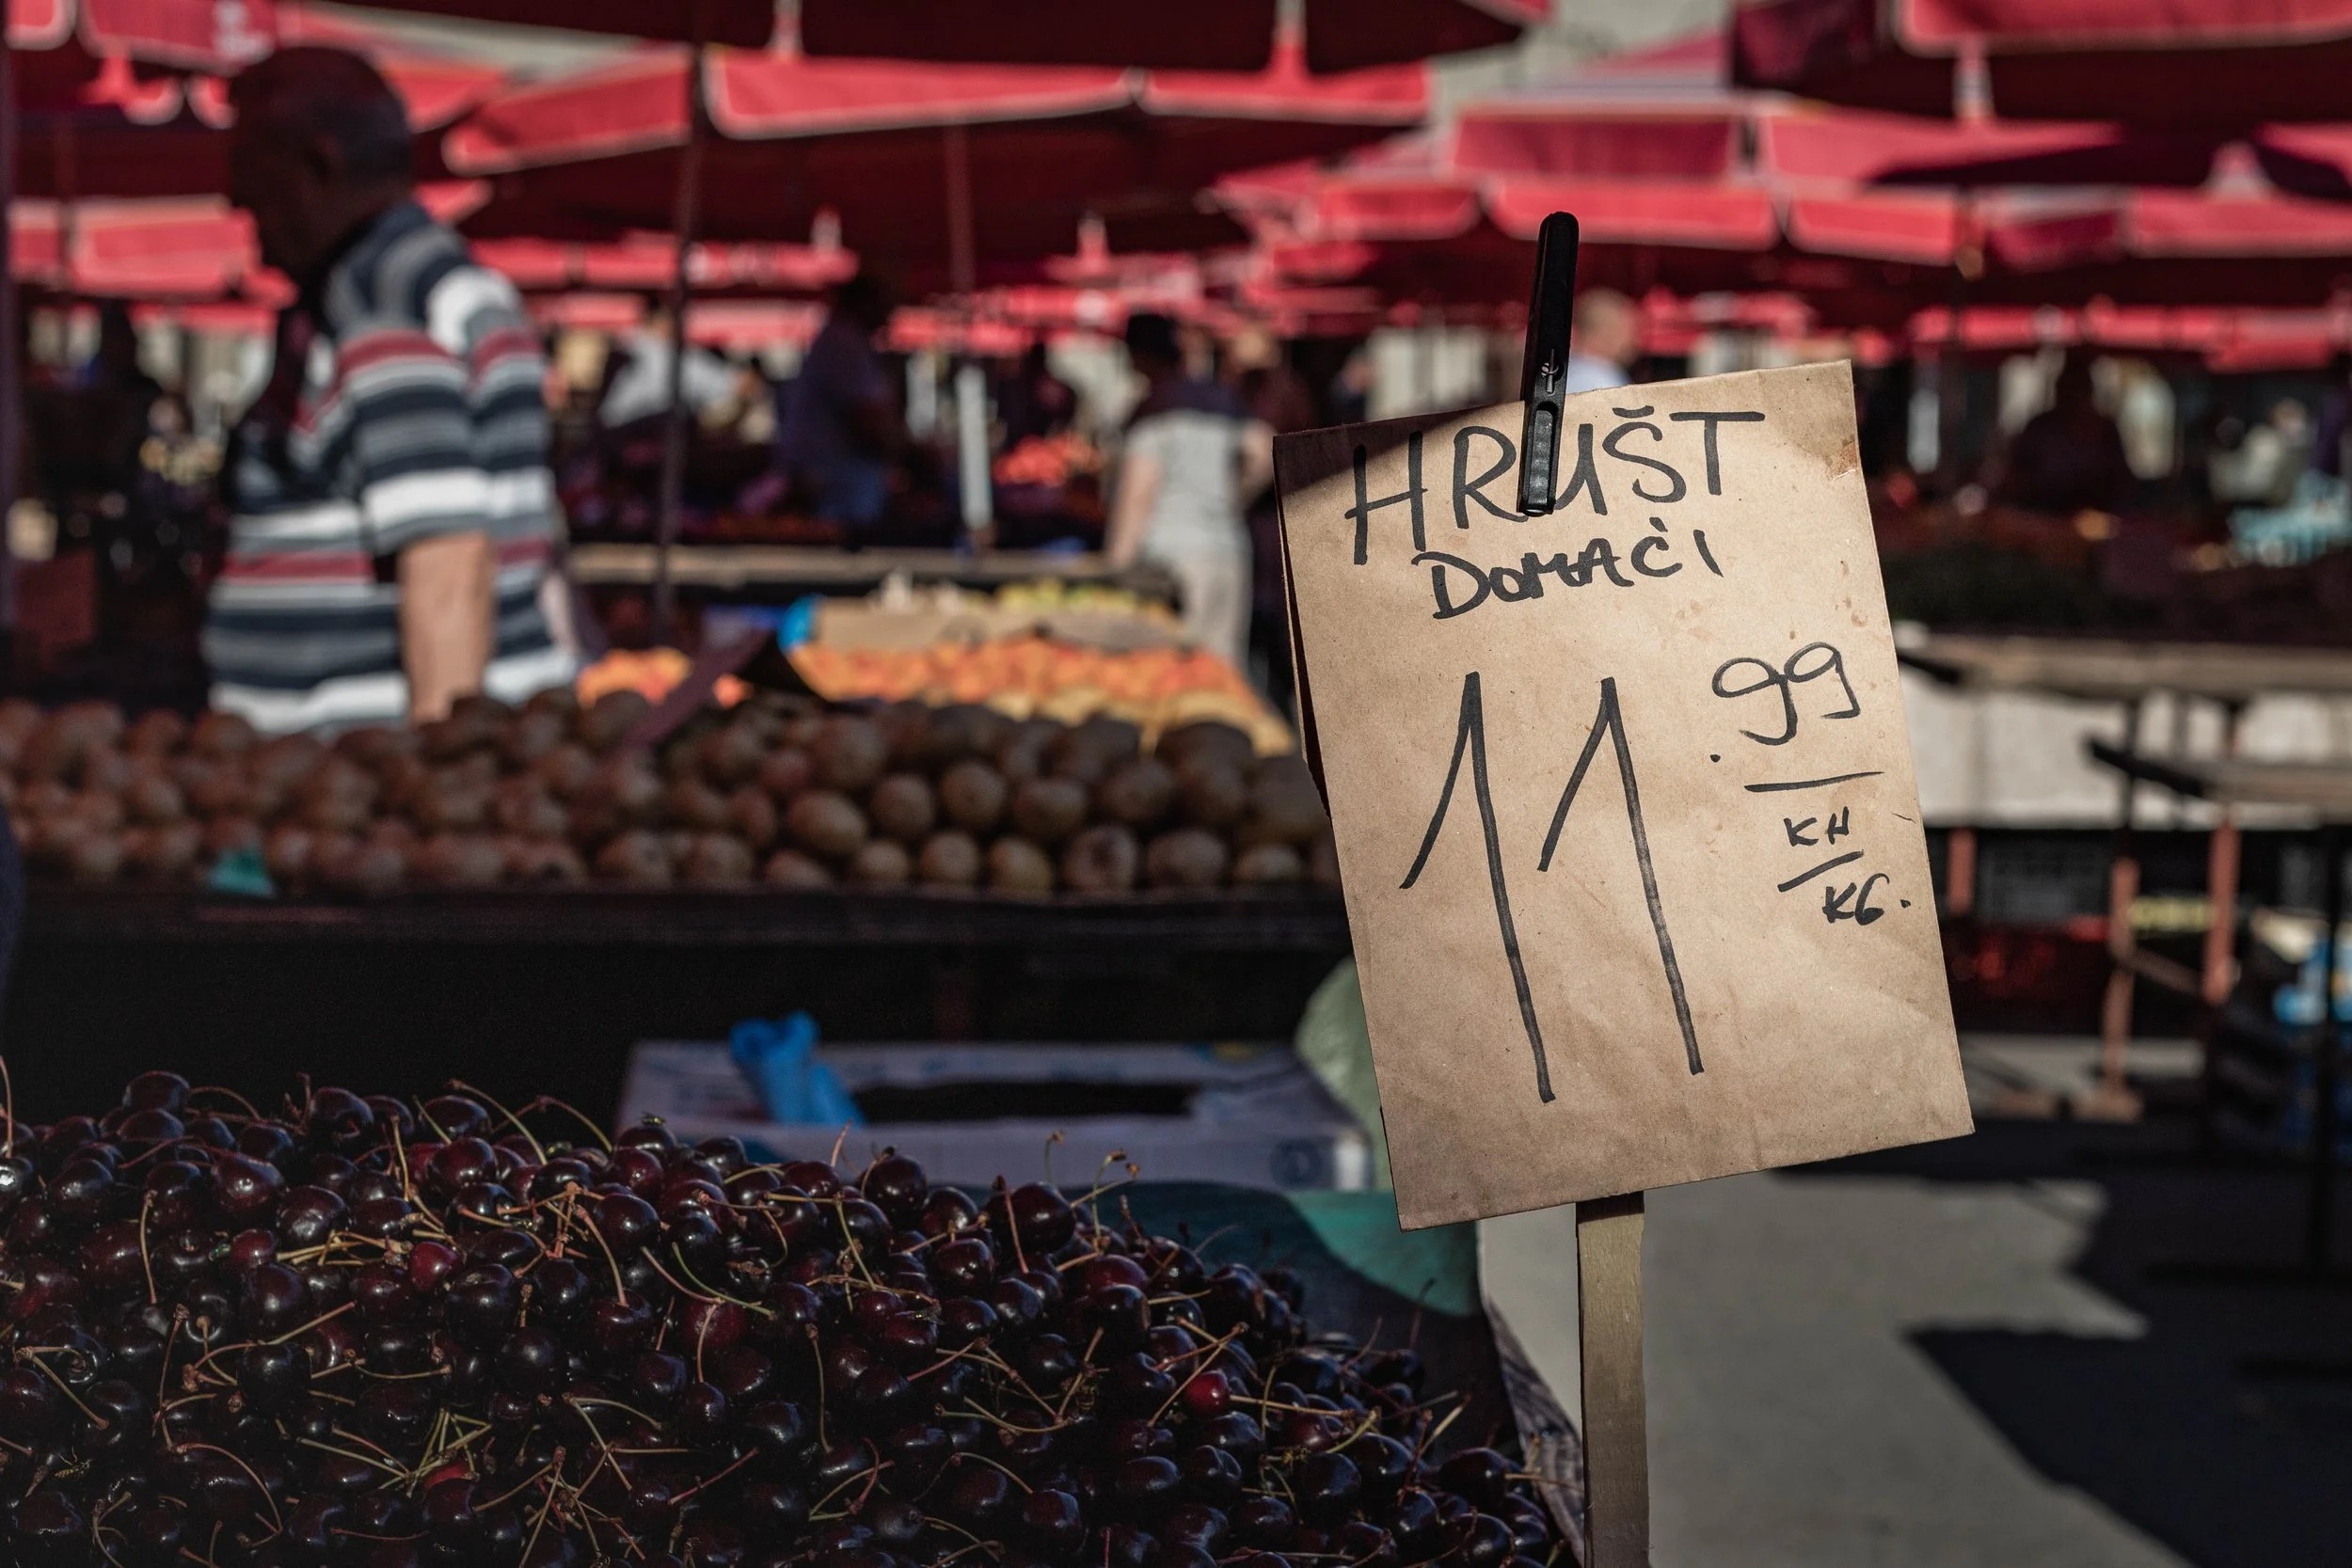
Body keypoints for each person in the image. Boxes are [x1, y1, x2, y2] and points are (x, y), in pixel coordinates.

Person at [208, 47, 571, 731]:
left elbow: (447, 566)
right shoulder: (421, 286)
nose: (236, 198)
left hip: (362, 759)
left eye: (249, 166)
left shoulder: (383, 305)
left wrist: (439, 768)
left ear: (318, 165)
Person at [1107, 313, 1272, 666]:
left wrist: (1117, 565)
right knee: (1224, 676)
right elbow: (1264, 452)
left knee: (1177, 675)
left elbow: (1138, 493)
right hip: (1228, 551)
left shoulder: (1154, 408)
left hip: (1172, 561)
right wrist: (1231, 500)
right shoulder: (1223, 399)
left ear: (1139, 354)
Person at [775, 273, 905, 531]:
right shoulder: (843, 344)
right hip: (837, 488)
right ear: (864, 304)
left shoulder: (845, 342)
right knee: (842, 545)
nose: (889, 316)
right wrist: (904, 454)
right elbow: (866, 420)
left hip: (836, 484)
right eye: (884, 305)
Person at [1995, 352, 2135, 516]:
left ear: (2089, 393)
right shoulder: (2040, 428)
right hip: (2042, 516)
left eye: (2080, 391)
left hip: (2097, 516)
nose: (2074, 401)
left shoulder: (2105, 431)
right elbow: (2016, 477)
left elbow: (2122, 482)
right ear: (2059, 391)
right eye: (2069, 391)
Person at [598, 301, 738, 436]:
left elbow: (723, 381)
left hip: (638, 427)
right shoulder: (647, 344)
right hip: (628, 426)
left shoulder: (674, 352)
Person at [1564, 288, 1639, 394]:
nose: (1633, 341)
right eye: (1628, 331)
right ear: (1606, 333)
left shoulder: (1560, 371)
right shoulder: (1602, 381)